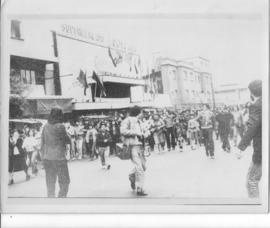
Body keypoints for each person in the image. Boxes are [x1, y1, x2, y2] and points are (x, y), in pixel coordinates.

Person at [237, 80, 262, 198]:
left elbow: (252, 127)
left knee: (251, 181)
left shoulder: (257, 106)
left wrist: (241, 147)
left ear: (251, 92)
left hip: (263, 150)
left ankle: (256, 211)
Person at [40, 108, 71, 198]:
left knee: (50, 182)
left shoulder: (45, 126)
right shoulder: (60, 126)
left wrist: (43, 157)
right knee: (65, 182)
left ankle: (51, 201)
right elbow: (67, 140)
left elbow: (42, 142)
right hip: (59, 158)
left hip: (47, 158)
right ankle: (61, 199)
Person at [120, 106, 147, 196]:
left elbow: (143, 131)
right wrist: (136, 133)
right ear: (138, 113)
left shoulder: (139, 122)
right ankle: (140, 188)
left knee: (143, 166)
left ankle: (132, 175)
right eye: (141, 112)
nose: (142, 114)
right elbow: (123, 131)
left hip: (140, 146)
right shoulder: (127, 120)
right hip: (132, 146)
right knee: (139, 167)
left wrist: (145, 133)